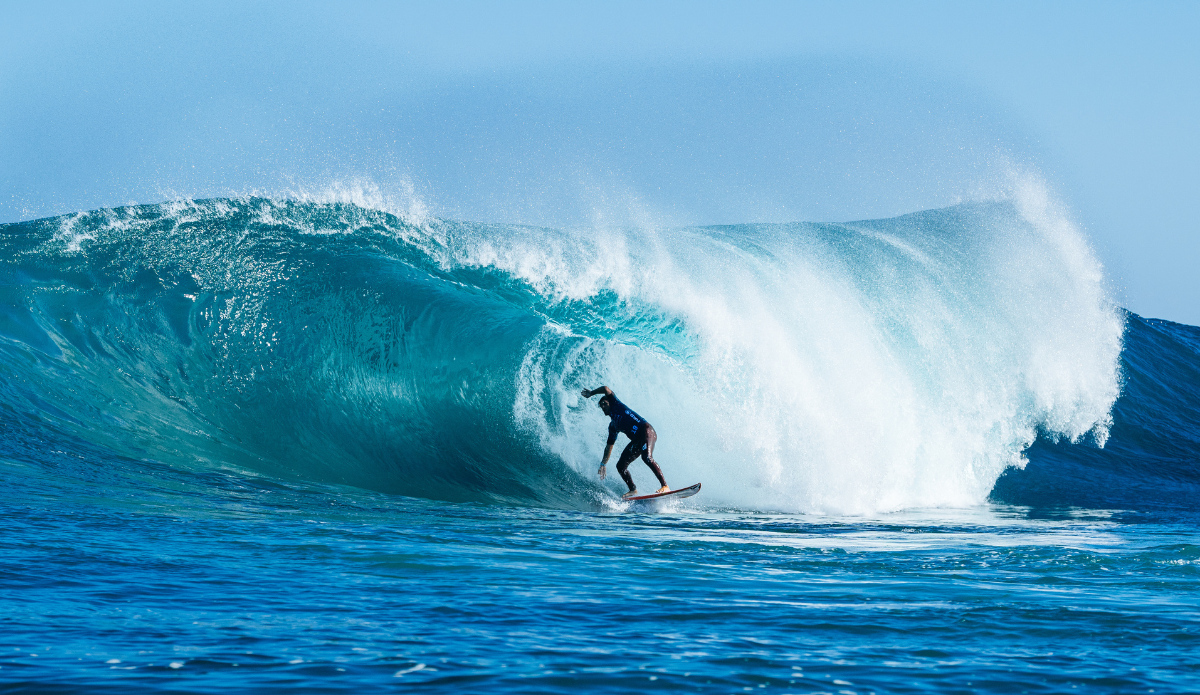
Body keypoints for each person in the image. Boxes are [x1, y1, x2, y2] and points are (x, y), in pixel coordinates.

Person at [580, 385, 669, 498]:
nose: (603, 406)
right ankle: (633, 490)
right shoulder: (613, 426)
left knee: (646, 457)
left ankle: (665, 486)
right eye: (601, 406)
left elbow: (606, 389)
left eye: (605, 403)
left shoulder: (616, 404)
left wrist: (591, 393)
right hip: (637, 440)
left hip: (646, 431)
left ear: (610, 402)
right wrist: (603, 464)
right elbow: (609, 447)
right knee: (620, 466)